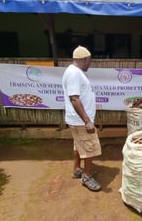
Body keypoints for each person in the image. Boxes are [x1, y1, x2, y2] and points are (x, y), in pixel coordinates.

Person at [62, 45, 102, 191]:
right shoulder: (74, 73)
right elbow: (74, 98)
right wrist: (87, 121)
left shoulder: (74, 71)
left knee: (78, 145)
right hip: (81, 121)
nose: (90, 63)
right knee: (90, 147)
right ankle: (86, 176)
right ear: (84, 59)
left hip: (77, 120)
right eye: (89, 60)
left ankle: (77, 169)